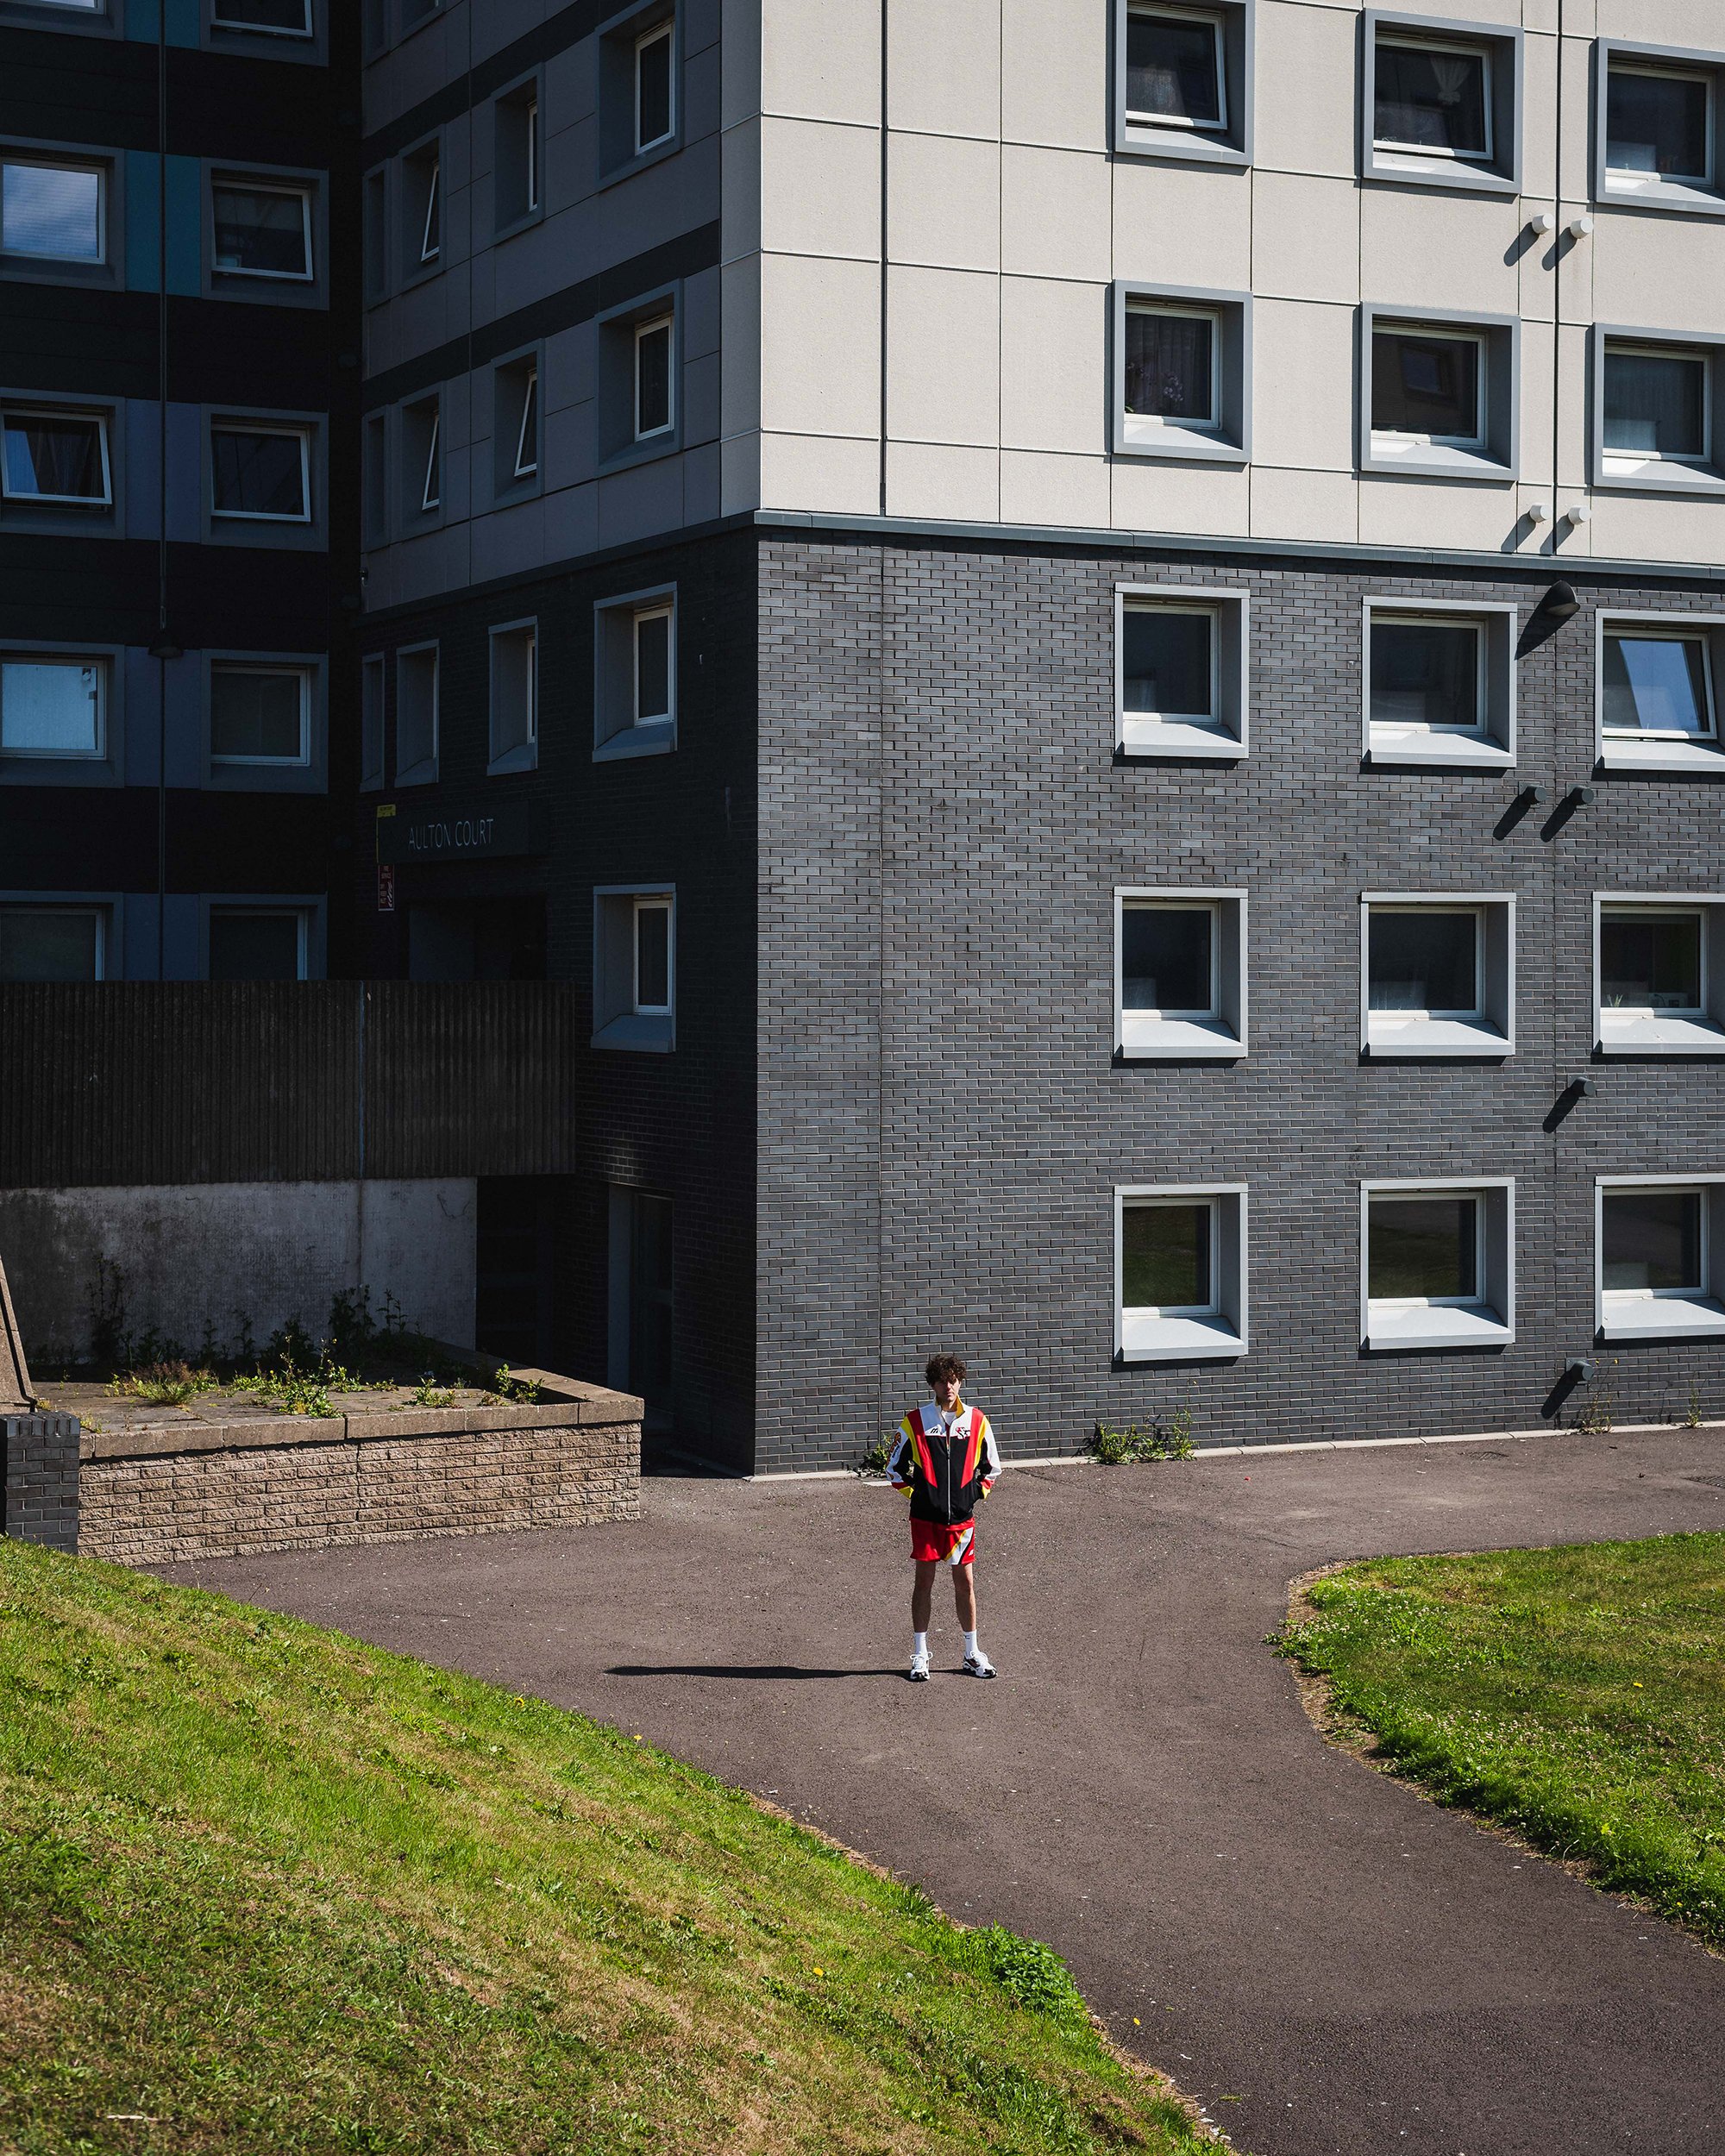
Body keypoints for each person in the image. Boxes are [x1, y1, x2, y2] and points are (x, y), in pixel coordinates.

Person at [887, 1353, 1000, 1682]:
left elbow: (992, 1468)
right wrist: (919, 1496)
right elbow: (894, 1470)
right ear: (932, 1384)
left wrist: (973, 1495)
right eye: (941, 1380)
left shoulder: (978, 1421)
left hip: (961, 1521)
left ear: (960, 1381)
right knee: (924, 1583)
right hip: (925, 1520)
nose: (948, 1386)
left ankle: (971, 1653)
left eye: (953, 1380)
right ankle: (920, 1654)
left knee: (965, 1584)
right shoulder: (914, 1421)